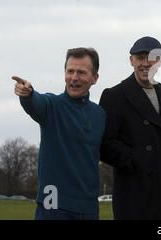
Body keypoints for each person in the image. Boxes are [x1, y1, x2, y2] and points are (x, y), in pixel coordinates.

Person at [12, 47, 106, 220]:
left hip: (89, 208)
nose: (74, 77)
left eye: (81, 72)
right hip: (52, 203)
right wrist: (28, 94)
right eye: (70, 71)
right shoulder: (51, 105)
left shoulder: (99, 114)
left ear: (95, 78)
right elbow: (36, 102)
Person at [99, 36, 161, 220]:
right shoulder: (114, 96)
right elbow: (104, 144)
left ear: (159, 61)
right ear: (131, 60)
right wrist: (137, 158)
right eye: (140, 58)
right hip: (134, 190)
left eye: (151, 58)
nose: (146, 63)